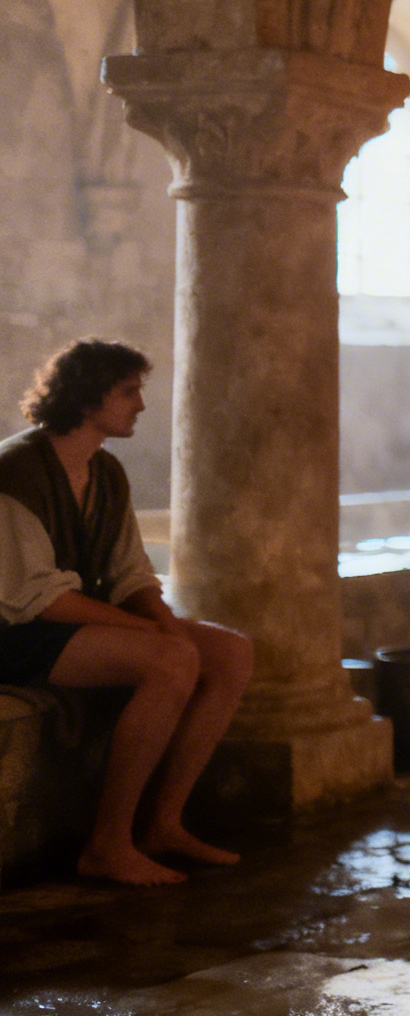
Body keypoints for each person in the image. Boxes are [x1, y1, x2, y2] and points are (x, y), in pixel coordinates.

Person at [0, 340, 251, 886]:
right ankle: (108, 845)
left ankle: (163, 824)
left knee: (229, 652)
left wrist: (166, 624)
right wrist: (156, 637)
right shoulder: (15, 472)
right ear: (88, 399)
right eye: (128, 392)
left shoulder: (104, 472)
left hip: (64, 621)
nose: (140, 405)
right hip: (15, 632)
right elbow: (41, 598)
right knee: (168, 663)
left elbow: (130, 573)